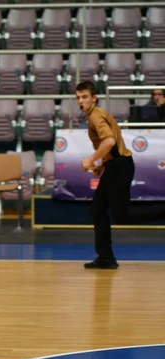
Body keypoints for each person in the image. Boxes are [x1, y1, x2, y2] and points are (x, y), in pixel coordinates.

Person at [76, 81, 165, 269]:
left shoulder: (96, 117)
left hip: (120, 167)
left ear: (94, 98)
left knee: (121, 215)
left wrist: (91, 160)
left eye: (84, 97)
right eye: (78, 98)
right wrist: (102, 164)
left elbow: (108, 141)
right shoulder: (96, 114)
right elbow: (113, 145)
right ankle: (106, 257)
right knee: (98, 210)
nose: (80, 101)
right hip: (115, 165)